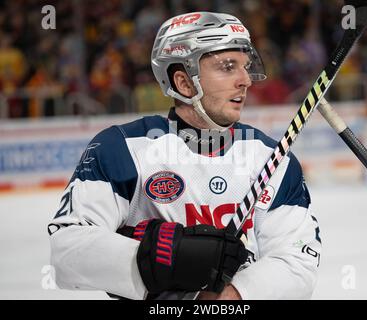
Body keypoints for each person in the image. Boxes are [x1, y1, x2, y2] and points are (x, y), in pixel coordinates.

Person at [48, 12, 322, 300]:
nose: (245, 81)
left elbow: (298, 263)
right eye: (228, 67)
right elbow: (67, 253)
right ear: (184, 83)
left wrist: (230, 297)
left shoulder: (275, 160)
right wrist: (162, 258)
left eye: (245, 66)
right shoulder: (121, 149)